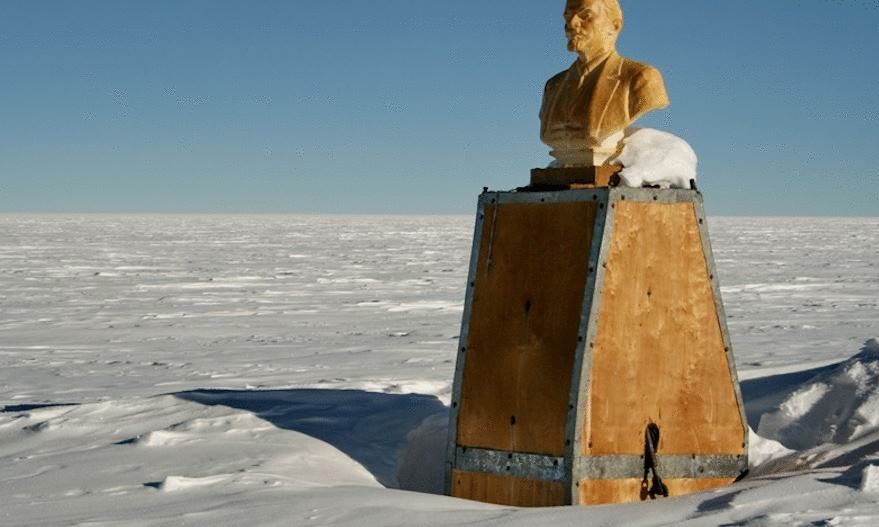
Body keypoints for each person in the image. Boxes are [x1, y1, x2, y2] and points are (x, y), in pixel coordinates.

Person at [540, 0, 669, 167]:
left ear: (615, 25)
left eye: (585, 16)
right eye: (567, 17)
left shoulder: (642, 78)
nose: (571, 25)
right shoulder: (553, 86)